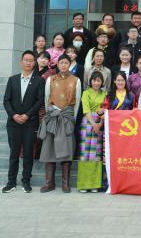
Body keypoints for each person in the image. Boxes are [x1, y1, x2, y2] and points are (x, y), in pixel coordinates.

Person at [38, 54, 81, 193]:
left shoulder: (76, 80)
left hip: (67, 116)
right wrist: (50, 113)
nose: (63, 65)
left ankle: (65, 183)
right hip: (53, 115)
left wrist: (72, 118)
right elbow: (47, 98)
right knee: (49, 148)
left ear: (69, 65)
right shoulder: (50, 79)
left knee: (67, 149)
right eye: (61, 63)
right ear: (57, 64)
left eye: (66, 63)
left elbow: (77, 101)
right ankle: (49, 182)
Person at [2, 51, 44, 194]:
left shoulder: (39, 80)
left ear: (34, 63)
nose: (28, 62)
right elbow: (6, 100)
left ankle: (26, 181)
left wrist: (27, 115)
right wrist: (14, 115)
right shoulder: (12, 79)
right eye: (26, 60)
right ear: (21, 62)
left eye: (31, 60)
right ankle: (11, 182)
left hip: (30, 122)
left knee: (28, 153)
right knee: (14, 154)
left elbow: (39, 101)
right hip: (13, 123)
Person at [78, 71, 106, 192]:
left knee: (96, 154)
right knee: (85, 153)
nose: (96, 83)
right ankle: (84, 184)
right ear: (91, 81)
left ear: (102, 82)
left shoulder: (104, 94)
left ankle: (94, 184)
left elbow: (105, 109)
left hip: (100, 123)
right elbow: (86, 110)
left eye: (99, 80)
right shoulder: (86, 93)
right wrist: (94, 124)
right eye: (94, 80)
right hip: (88, 122)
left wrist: (99, 124)